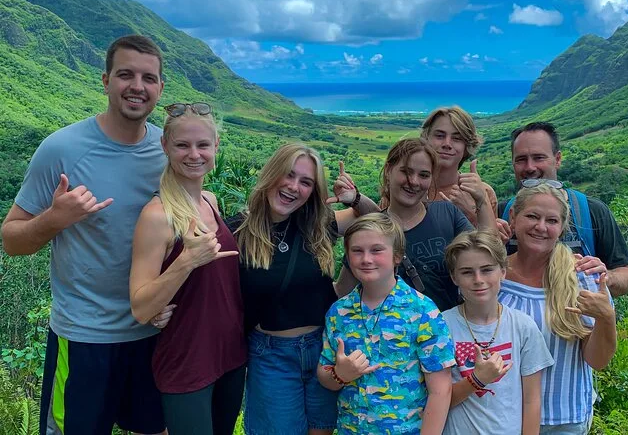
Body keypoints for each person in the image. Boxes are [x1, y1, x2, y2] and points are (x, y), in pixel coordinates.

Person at [1, 35, 166, 434]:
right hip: (84, 338)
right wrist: (54, 219)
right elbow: (11, 240)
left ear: (160, 88)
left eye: (148, 78)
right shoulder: (61, 149)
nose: (137, 86)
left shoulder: (169, 151)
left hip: (154, 332)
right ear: (105, 80)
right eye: (125, 75)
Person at [226, 143, 379, 435]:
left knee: (322, 430)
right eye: (288, 174)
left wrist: (356, 199)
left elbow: (378, 221)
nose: (293, 187)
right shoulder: (238, 231)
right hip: (272, 356)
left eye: (306, 182)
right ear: (271, 173)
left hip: (324, 348)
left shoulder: (317, 225)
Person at [128, 102, 245, 435]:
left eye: (203, 145)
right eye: (182, 145)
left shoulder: (210, 201)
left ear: (216, 146)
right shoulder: (157, 215)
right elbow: (140, 308)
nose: (194, 154)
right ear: (165, 146)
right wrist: (187, 261)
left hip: (230, 354)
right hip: (187, 360)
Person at [318, 213, 455, 434]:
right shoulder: (338, 312)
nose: (366, 259)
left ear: (397, 256)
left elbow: (441, 391)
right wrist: (340, 374)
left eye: (376, 250)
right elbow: (324, 375)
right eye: (357, 251)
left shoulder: (423, 311)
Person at [498, 182, 617, 434]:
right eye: (532, 216)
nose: (541, 227)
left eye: (551, 220)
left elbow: (597, 360)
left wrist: (606, 318)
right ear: (513, 217)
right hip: (502, 417)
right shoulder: (493, 277)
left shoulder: (582, 277)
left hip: (564, 420)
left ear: (562, 227)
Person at [336, 138, 496, 311]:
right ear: (388, 170)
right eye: (406, 171)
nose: (414, 181)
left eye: (424, 175)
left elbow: (489, 254)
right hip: (391, 328)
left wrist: (481, 200)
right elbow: (344, 292)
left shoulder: (447, 214)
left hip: (447, 325)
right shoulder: (371, 229)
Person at [497, 121, 628, 297]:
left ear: (557, 159)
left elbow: (626, 274)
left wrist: (606, 278)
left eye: (539, 158)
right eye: (521, 159)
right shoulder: (501, 213)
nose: (530, 167)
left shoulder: (592, 211)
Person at [442, 230, 554, 434]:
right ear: (454, 277)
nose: (478, 279)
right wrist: (476, 380)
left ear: (502, 271)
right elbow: (437, 400)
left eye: (487, 270)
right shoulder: (441, 326)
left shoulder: (523, 326)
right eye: (467, 272)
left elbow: (532, 400)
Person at [420, 106, 498, 225]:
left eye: (457, 138)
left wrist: (471, 216)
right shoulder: (408, 187)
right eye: (440, 136)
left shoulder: (482, 193)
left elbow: (492, 236)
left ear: (467, 147)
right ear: (426, 139)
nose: (447, 144)